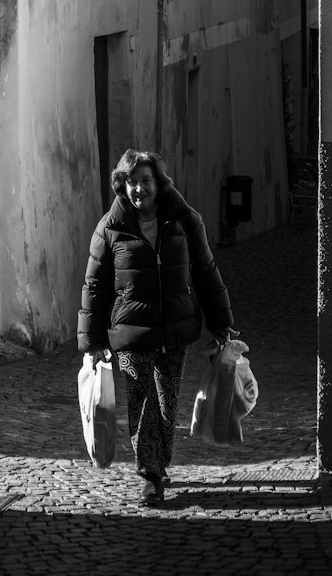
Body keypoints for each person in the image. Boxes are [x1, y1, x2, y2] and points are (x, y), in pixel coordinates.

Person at [77, 148, 235, 503]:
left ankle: (158, 464)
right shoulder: (110, 228)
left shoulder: (185, 221)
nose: (138, 189)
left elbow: (207, 272)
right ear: (122, 185)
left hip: (176, 330)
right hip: (131, 332)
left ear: (158, 183)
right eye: (131, 182)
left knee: (167, 404)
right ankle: (150, 475)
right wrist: (93, 339)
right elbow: (94, 286)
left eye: (145, 181)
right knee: (142, 400)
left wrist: (221, 323)